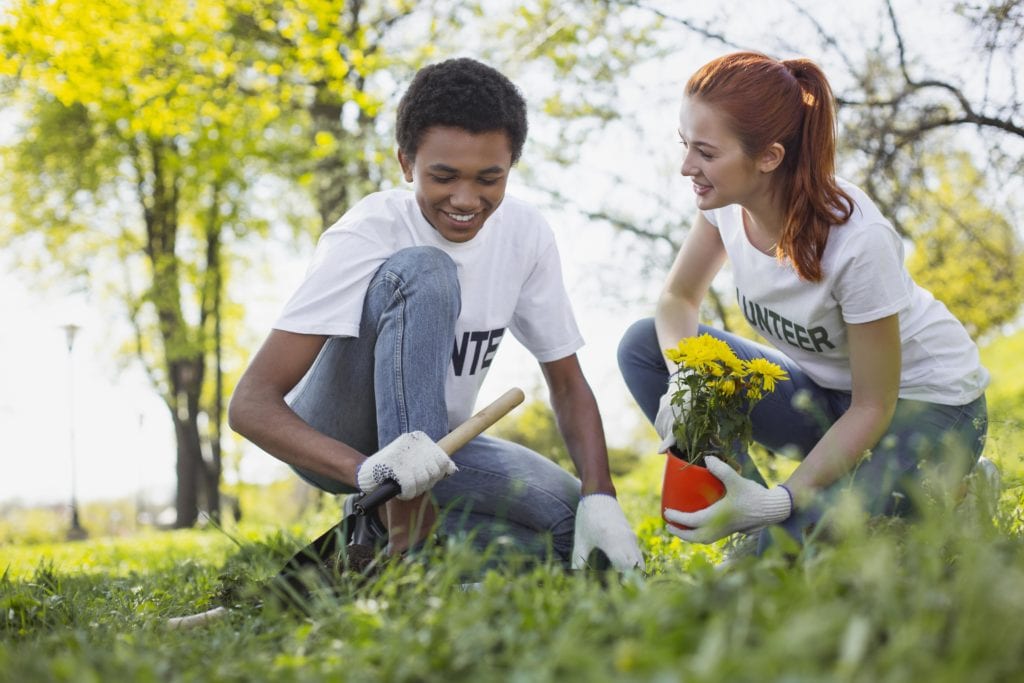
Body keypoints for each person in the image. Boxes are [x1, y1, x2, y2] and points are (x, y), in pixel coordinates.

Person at [229, 57, 643, 571]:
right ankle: (410, 549)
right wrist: (369, 473)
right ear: (406, 164)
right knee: (426, 270)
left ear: (511, 165)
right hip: (343, 442)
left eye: (489, 179)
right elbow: (250, 405)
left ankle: (369, 548)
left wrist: (601, 497)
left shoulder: (525, 234)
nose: (466, 200)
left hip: (441, 445)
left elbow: (566, 380)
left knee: (568, 525)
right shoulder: (370, 231)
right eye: (443, 176)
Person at [617, 51, 990, 551]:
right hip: (828, 400)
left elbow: (873, 405)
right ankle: (743, 508)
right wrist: (685, 379)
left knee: (793, 554)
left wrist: (784, 500)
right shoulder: (725, 207)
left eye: (705, 152)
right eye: (685, 145)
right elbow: (678, 299)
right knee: (645, 346)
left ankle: (957, 489)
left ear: (769, 157)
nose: (687, 167)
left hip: (927, 406)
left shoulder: (858, 241)